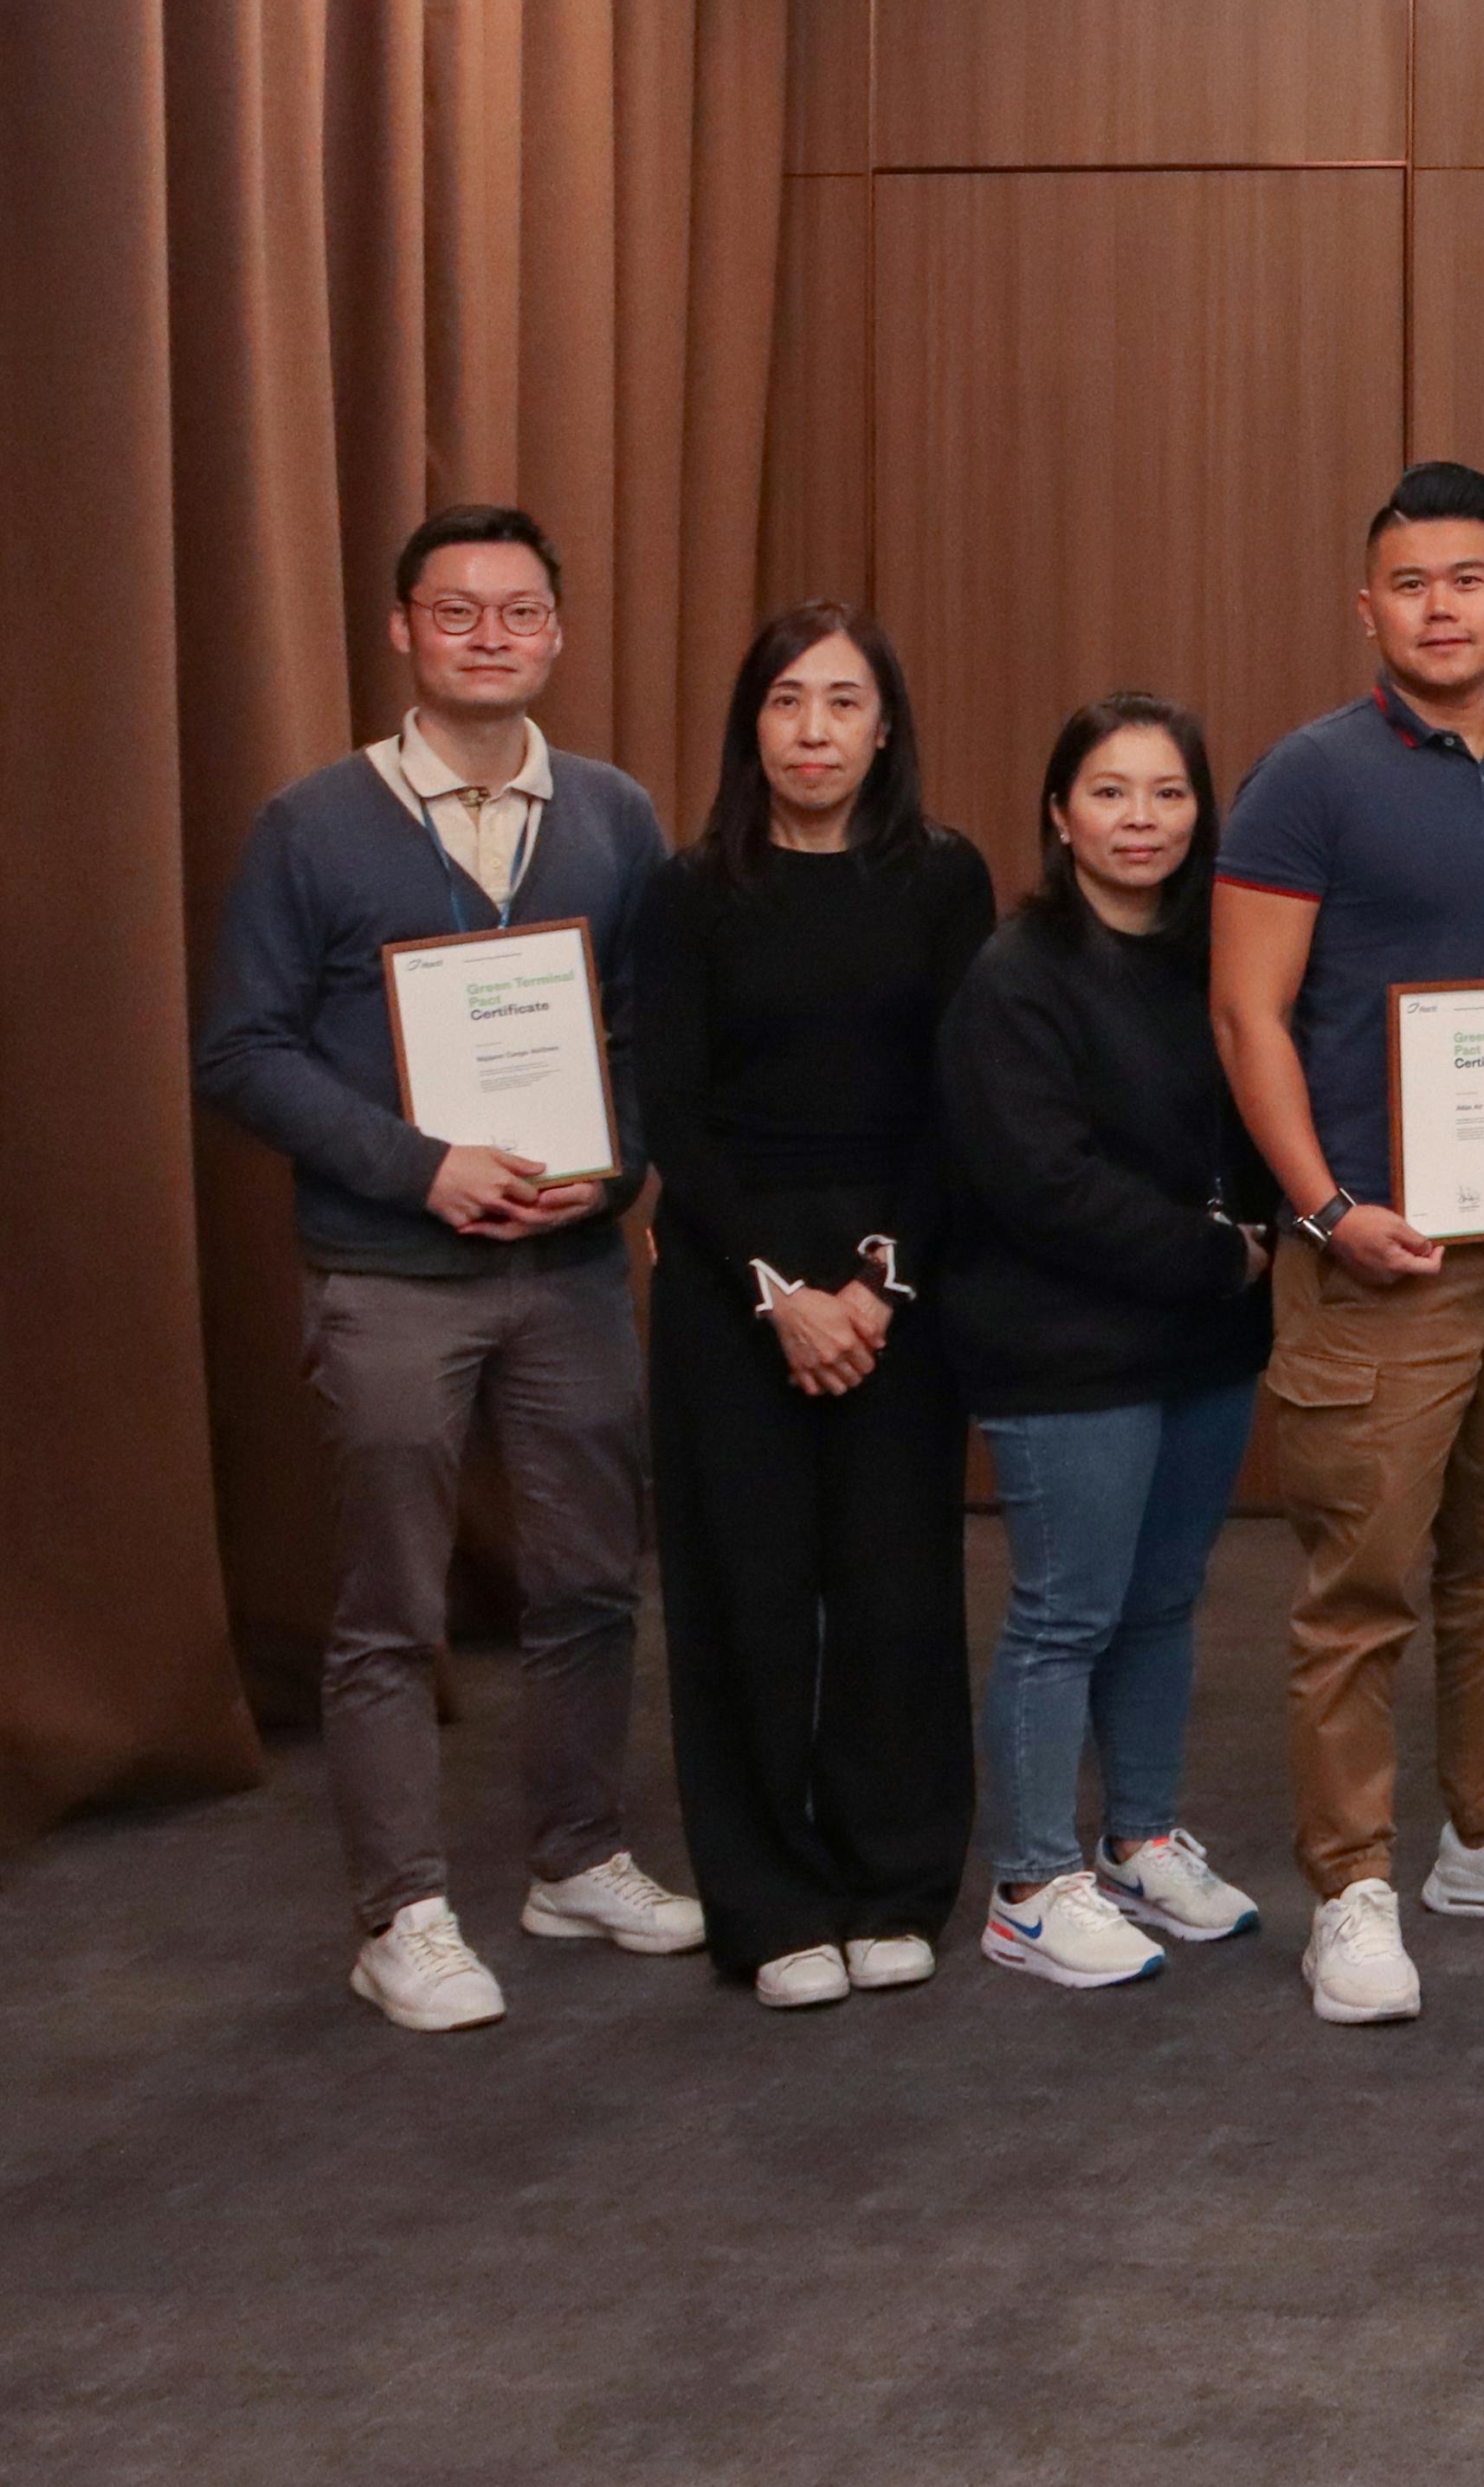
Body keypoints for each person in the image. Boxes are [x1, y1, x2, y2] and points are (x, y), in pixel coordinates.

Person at [197, 506, 701, 2031]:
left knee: (591, 1579)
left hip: (572, 1270)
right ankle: (400, 1912)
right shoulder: (311, 823)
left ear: (557, 631)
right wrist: (423, 1167)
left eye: (520, 609)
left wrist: (611, 1163)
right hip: (389, 1273)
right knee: (391, 1606)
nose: (491, 634)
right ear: (403, 629)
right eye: (457, 609)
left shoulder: (612, 814)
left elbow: (648, 1030)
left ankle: (577, 1857)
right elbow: (241, 1051)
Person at [1214, 462, 1484, 2027]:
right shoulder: (1307, 778)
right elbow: (1246, 1010)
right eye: (1410, 584)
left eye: (1468, 579)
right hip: (1372, 1256)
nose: (1442, 607)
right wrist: (1324, 1205)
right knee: (1360, 1589)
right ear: (1368, 607)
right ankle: (1349, 1887)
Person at [633, 604, 997, 2007]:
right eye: (787, 700)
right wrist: (780, 1292)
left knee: (899, 1588)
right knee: (748, 1594)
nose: (814, 730)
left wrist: (876, 1282)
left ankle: (894, 1878)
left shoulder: (943, 877)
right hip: (733, 1278)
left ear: (884, 726)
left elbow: (955, 1095)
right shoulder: (687, 890)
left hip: (896, 1271)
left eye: (843, 702)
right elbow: (674, 1113)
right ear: (752, 723)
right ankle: (770, 1900)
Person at [939, 693, 1279, 1988]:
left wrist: (1252, 1241)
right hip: (1066, 1347)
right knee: (1063, 1614)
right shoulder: (1014, 975)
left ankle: (1137, 1839)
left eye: (1168, 793)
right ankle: (1030, 1884)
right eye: (1110, 791)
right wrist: (1220, 1253)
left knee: (1163, 1599)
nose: (1142, 819)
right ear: (1059, 813)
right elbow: (1043, 1185)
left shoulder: (1215, 961)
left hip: (1202, 1341)